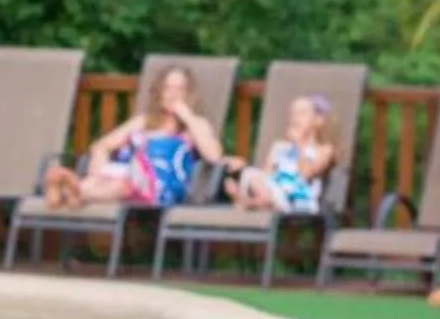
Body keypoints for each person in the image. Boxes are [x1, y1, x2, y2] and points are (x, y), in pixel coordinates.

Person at [42, 62, 224, 209]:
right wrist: (98, 174)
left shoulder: (195, 126)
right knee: (115, 178)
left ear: (189, 94)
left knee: (125, 182)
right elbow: (101, 146)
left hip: (162, 189)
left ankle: (69, 192)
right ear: (159, 93)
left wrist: (187, 116)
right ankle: (74, 193)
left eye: (180, 89)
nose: (173, 95)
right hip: (126, 177)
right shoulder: (143, 122)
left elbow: (214, 156)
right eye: (168, 88)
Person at [230, 94, 338, 213]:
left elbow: (305, 175)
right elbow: (267, 175)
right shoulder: (279, 147)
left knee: (254, 180)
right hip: (275, 191)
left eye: (301, 113)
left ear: (318, 120)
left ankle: (249, 202)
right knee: (247, 174)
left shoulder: (324, 150)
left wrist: (298, 144)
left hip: (298, 199)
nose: (295, 118)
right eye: (292, 114)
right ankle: (256, 201)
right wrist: (244, 170)